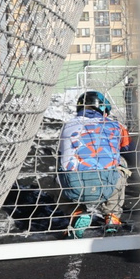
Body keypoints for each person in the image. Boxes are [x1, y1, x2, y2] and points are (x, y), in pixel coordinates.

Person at [58, 90, 127, 236]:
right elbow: (127, 147)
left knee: (60, 168)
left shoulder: (68, 125)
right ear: (103, 110)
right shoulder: (116, 125)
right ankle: (112, 216)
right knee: (121, 163)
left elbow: (61, 152)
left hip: (75, 186)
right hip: (106, 183)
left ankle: (76, 212)